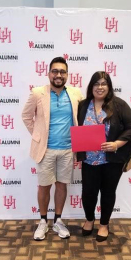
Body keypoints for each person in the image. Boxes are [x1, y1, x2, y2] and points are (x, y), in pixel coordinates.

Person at [22, 56, 83, 241]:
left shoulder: (75, 94)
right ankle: (42, 221)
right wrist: (38, 136)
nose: (59, 75)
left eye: (62, 72)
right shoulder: (37, 93)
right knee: (44, 186)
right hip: (45, 150)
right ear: (49, 73)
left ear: (67, 75)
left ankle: (57, 220)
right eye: (55, 71)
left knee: (62, 185)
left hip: (68, 149)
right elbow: (26, 116)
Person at [76, 71, 131, 242]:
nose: (100, 87)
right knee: (88, 193)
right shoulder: (83, 105)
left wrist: (117, 144)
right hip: (89, 159)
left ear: (109, 86)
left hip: (112, 160)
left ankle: (104, 224)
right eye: (96, 84)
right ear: (91, 87)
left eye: (104, 83)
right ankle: (89, 220)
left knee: (108, 192)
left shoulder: (119, 105)